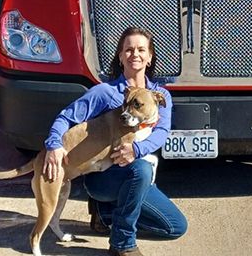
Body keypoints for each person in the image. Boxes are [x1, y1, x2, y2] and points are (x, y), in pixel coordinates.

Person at [43, 27, 187, 256]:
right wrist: (53, 145)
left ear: (150, 57)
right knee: (140, 168)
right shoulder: (105, 92)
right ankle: (122, 242)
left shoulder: (160, 96)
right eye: (128, 50)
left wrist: (137, 149)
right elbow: (66, 116)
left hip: (137, 179)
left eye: (141, 49)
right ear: (120, 56)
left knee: (175, 227)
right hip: (104, 178)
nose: (135, 54)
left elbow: (161, 132)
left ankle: (106, 212)